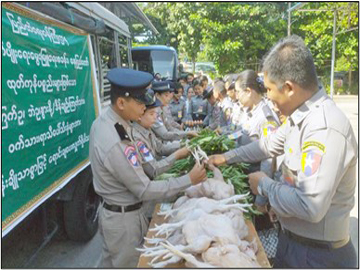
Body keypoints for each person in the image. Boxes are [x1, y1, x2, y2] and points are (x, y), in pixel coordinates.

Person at [208, 35, 357, 268]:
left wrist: (264, 185)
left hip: (318, 256)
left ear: (288, 88)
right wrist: (226, 157)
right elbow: (267, 145)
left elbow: (311, 206)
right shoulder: (300, 117)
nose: (267, 96)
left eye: (268, 89)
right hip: (293, 243)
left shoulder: (323, 127)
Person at [89, 68, 207, 268]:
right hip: (123, 221)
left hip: (120, 214)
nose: (145, 107)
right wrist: (188, 179)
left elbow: (148, 166)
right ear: (121, 103)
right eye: (140, 102)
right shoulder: (115, 139)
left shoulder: (115, 123)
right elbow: (143, 188)